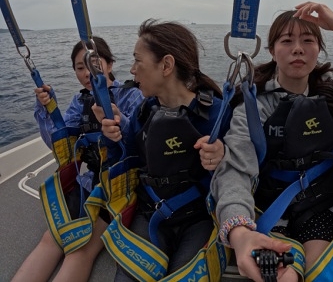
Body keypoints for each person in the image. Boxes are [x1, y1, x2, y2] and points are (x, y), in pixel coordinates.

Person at [211, 1, 333, 282]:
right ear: (272, 50)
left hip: (321, 205)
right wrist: (238, 229)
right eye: (287, 41)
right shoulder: (254, 106)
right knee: (279, 276)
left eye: (308, 40)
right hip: (270, 207)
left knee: (317, 273)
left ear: (319, 49)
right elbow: (236, 169)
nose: (298, 48)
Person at [96, 19, 231, 281]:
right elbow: (128, 162)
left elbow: (244, 171)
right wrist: (112, 139)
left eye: (138, 61)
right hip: (150, 213)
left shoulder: (217, 114)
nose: (132, 70)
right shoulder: (143, 113)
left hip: (199, 219)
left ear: (166, 65)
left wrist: (223, 156)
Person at [12, 37, 144, 282]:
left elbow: (142, 145)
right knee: (51, 238)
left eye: (93, 64)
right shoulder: (80, 101)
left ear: (110, 64)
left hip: (118, 187)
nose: (86, 73)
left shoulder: (131, 96)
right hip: (88, 183)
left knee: (80, 251)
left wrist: (118, 121)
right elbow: (60, 144)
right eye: (80, 67)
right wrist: (48, 109)